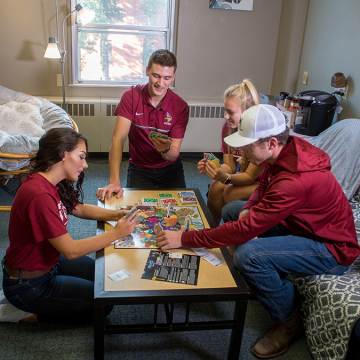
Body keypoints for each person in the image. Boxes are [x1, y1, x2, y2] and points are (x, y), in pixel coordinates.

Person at [155, 104, 360, 358]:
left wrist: (184, 238)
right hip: (303, 226)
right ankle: (261, 281)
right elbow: (265, 184)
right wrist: (250, 207)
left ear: (272, 142)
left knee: (247, 254)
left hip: (331, 249)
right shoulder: (287, 149)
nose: (241, 150)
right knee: (233, 209)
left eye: (247, 144)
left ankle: (289, 319)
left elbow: (244, 231)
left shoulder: (295, 181)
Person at [1, 128, 139, 323]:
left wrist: (116, 214)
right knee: (105, 304)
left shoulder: (50, 180)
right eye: (81, 157)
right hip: (29, 285)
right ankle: (28, 314)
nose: (86, 164)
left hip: (50, 262)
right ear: (63, 154)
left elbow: (79, 208)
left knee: (105, 276)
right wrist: (117, 233)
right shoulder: (39, 195)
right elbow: (71, 250)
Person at [97, 49, 189, 201]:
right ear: (147, 71)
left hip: (169, 167)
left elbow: (173, 153)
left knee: (178, 212)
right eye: (156, 76)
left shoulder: (181, 106)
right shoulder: (131, 96)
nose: (160, 83)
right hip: (139, 168)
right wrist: (114, 181)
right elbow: (118, 140)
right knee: (136, 214)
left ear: (173, 77)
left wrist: (165, 149)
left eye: (166, 78)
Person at [198, 80, 265, 225]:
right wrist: (214, 170)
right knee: (216, 186)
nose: (225, 116)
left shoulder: (260, 135)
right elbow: (231, 167)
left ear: (247, 112)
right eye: (225, 111)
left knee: (232, 192)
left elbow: (248, 177)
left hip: (264, 183)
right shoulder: (228, 128)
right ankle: (211, 231)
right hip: (245, 176)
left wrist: (226, 177)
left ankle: (232, 234)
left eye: (231, 112)